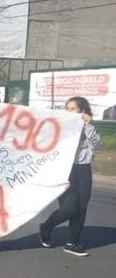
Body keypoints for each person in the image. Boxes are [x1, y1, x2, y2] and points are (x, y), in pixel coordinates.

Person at [38, 96, 102, 256]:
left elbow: (98, 145)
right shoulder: (60, 126)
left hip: (83, 170)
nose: (69, 112)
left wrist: (88, 126)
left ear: (83, 111)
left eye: (73, 109)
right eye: (67, 109)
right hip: (64, 170)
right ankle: (47, 226)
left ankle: (72, 243)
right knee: (69, 208)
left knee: (81, 208)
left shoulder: (89, 126)